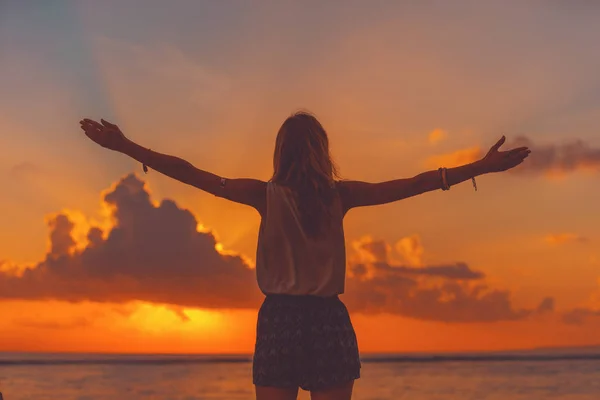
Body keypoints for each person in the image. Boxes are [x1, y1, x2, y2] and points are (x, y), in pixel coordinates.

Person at [79, 112, 531, 400]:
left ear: (280, 151)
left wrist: (126, 146)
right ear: (322, 151)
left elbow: (191, 174)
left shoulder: (264, 195)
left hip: (280, 320)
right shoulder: (342, 195)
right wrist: (481, 167)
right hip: (329, 320)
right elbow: (416, 183)